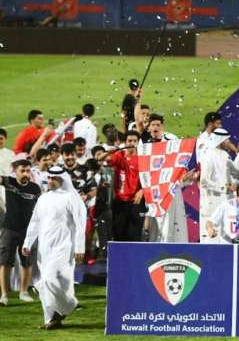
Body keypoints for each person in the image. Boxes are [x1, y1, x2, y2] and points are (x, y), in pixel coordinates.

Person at [22, 166, 86, 329]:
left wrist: (80, 247)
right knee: (45, 284)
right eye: (49, 178)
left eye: (54, 178)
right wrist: (27, 242)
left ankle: (69, 305)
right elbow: (35, 222)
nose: (50, 181)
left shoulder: (71, 198)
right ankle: (51, 319)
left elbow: (80, 224)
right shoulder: (43, 198)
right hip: (44, 248)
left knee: (49, 281)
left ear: (63, 180)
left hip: (64, 247)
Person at [0, 159, 40, 305]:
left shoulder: (35, 188)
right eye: (22, 171)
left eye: (28, 171)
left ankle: (24, 292)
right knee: (5, 262)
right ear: (15, 171)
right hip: (9, 228)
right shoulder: (9, 182)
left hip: (28, 231)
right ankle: (4, 295)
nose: (25, 174)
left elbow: (39, 209)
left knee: (26, 262)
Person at [96, 130, 144, 242]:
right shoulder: (119, 155)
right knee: (119, 234)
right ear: (125, 142)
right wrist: (108, 152)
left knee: (134, 236)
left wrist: (142, 190)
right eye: (129, 141)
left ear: (138, 142)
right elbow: (99, 158)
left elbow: (149, 178)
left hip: (136, 202)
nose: (132, 143)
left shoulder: (143, 158)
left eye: (134, 141)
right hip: (120, 202)